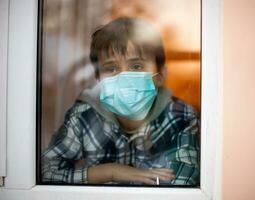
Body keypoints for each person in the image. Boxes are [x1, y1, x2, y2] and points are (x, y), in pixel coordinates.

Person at [42, 17, 200, 185]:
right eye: (111, 68)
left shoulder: (180, 116)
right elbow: (46, 171)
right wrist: (111, 172)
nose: (123, 77)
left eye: (136, 66)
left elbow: (183, 180)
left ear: (160, 75)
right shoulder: (83, 117)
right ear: (98, 80)